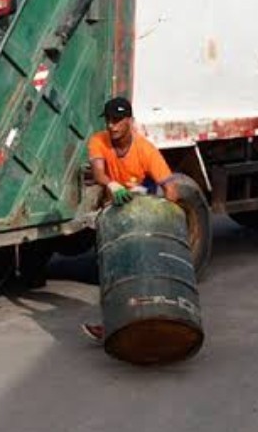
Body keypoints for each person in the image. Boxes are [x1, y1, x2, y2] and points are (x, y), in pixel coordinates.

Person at [82, 96, 179, 342]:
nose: (111, 126)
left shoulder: (145, 150)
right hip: (115, 215)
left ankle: (159, 317)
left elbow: (172, 190)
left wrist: (160, 213)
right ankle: (112, 324)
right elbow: (98, 172)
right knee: (112, 269)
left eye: (117, 120)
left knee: (144, 269)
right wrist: (112, 184)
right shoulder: (98, 141)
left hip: (143, 217)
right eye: (108, 120)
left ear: (130, 121)